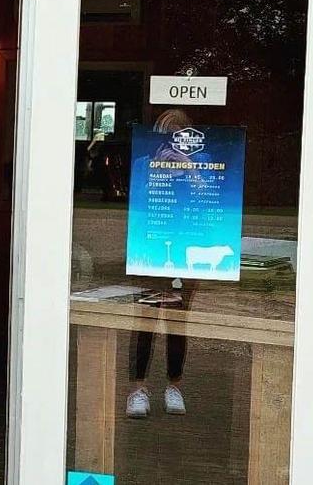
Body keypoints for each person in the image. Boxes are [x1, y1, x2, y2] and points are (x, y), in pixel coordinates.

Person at [125, 109, 196, 419]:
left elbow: (208, 204)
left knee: (177, 324)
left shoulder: (197, 166)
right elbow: (136, 202)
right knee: (145, 322)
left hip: (184, 253)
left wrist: (190, 170)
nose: (173, 147)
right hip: (150, 250)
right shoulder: (144, 165)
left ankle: (174, 385)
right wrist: (158, 171)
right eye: (167, 139)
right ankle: (138, 388)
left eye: (179, 140)